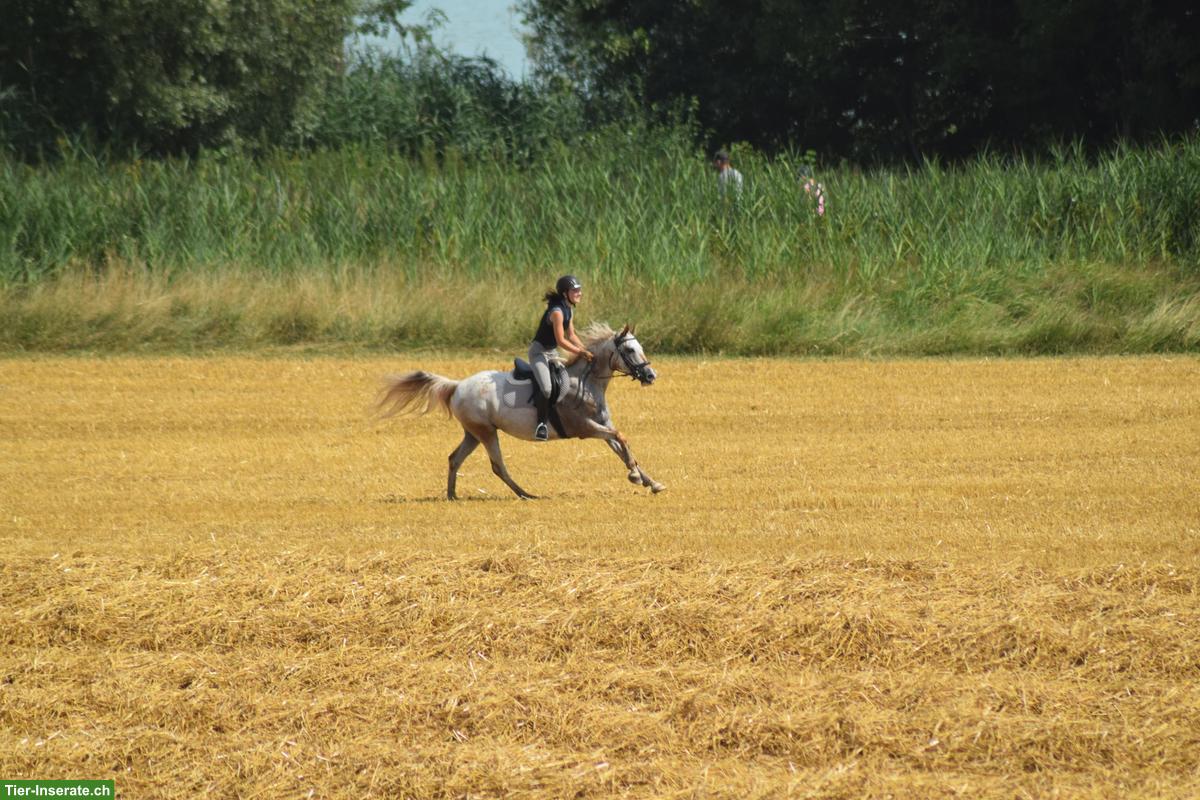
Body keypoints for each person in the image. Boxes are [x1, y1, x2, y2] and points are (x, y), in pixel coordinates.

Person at [529, 275, 593, 441]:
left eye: (579, 290)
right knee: (547, 388)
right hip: (538, 353)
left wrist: (586, 350)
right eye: (575, 290)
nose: (579, 293)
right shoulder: (557, 312)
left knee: (567, 383)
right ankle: (541, 425)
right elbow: (561, 341)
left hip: (552, 353)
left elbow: (571, 335)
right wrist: (580, 352)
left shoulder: (568, 309)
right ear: (565, 294)